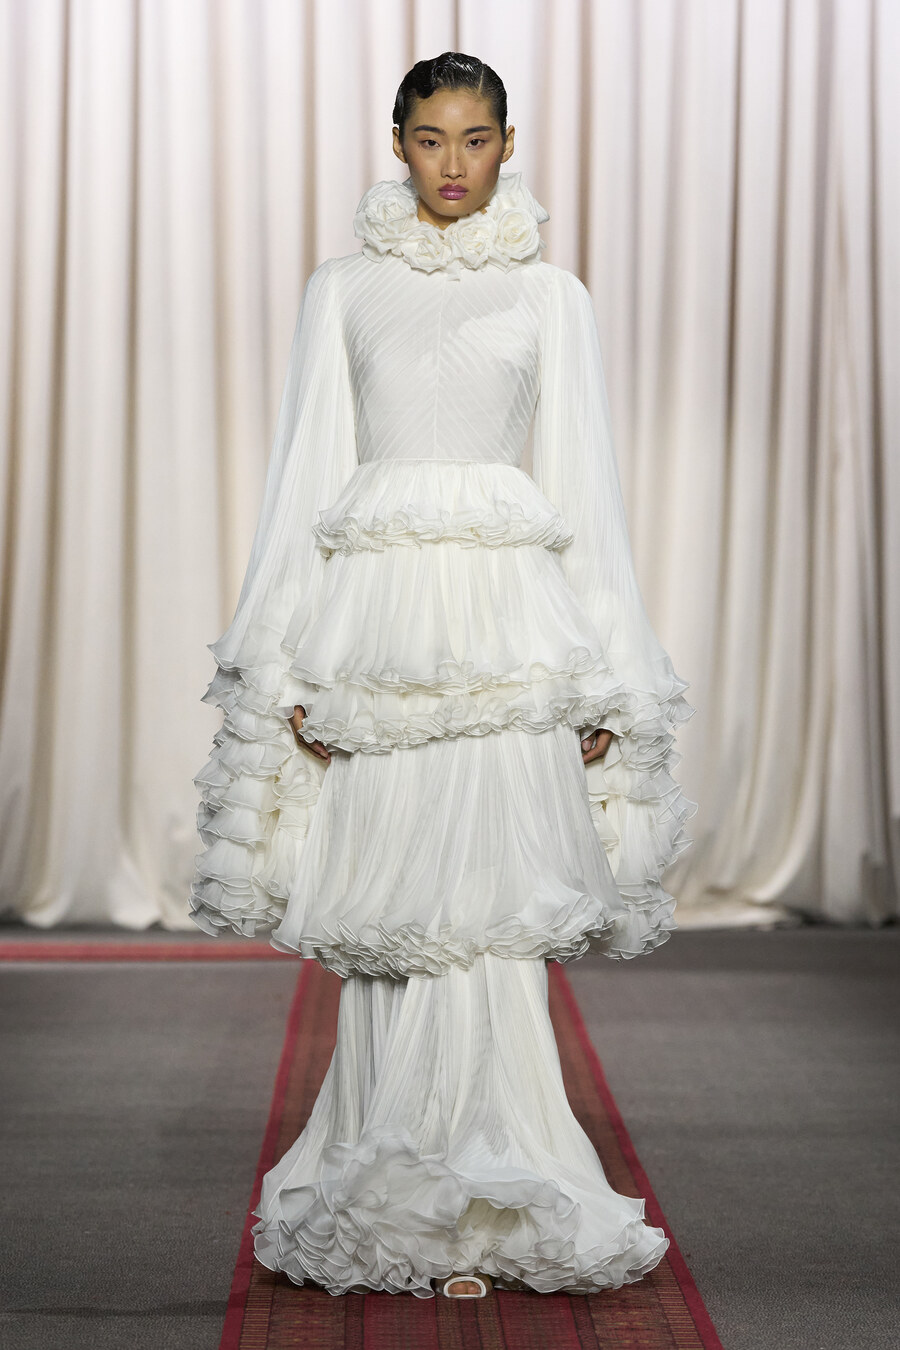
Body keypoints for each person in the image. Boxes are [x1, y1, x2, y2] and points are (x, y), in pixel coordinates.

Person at [190, 51, 696, 1300]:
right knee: (394, 916)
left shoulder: (553, 296)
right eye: (430, 139)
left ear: (509, 145)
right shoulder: (343, 289)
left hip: (511, 645)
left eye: (475, 140)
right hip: (378, 646)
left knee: (493, 913)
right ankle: (388, 1174)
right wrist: (289, 663)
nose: (452, 164)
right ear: (398, 142)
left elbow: (585, 492)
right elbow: (305, 479)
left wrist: (600, 679)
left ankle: (503, 1174)